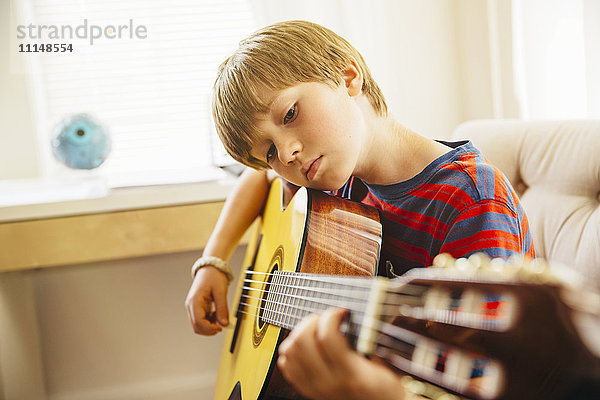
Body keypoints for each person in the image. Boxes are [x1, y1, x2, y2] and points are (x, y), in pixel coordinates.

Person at [185, 20, 535, 399]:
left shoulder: (472, 201)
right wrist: (213, 263)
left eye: (289, 115)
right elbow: (257, 181)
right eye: (268, 152)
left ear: (347, 77)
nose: (285, 153)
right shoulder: (330, 179)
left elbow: (483, 376)